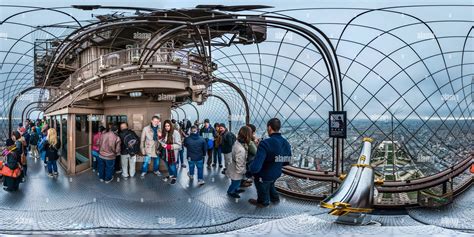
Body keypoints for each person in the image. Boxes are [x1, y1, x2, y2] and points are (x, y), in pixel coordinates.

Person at [249, 118, 292, 207]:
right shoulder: (286, 142)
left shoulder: (265, 143)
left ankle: (263, 202)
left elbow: (256, 167)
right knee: (271, 184)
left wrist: (249, 171)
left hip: (263, 175)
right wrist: (276, 163)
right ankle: (275, 199)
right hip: (276, 173)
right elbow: (287, 161)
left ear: (269, 127)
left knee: (263, 189)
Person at [226, 126, 251, 198]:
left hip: (232, 166)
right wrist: (245, 172)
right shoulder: (240, 149)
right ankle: (230, 192)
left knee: (235, 182)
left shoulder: (236, 142)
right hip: (236, 171)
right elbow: (239, 166)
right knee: (236, 182)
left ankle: (235, 189)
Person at [160, 120, 182, 184]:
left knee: (173, 166)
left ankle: (174, 177)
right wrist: (160, 138)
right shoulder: (165, 132)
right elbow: (163, 143)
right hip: (166, 153)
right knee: (168, 166)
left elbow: (179, 145)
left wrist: (168, 146)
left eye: (168, 126)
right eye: (165, 126)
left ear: (171, 125)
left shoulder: (175, 133)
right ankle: (171, 175)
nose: (167, 127)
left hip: (173, 154)